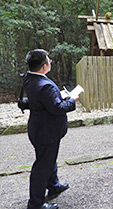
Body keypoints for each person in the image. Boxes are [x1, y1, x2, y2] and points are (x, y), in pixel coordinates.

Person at [24, 49, 78, 209]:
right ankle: (36, 203)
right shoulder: (44, 85)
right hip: (46, 131)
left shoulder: (30, 78)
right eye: (49, 60)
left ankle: (54, 185)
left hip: (39, 127)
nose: (50, 62)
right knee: (42, 166)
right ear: (44, 66)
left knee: (48, 159)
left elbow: (38, 100)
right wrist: (72, 100)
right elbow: (57, 108)